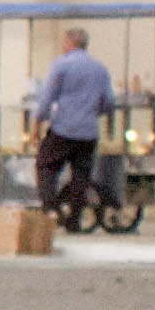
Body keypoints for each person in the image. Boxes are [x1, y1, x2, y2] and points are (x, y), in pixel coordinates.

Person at [29, 25, 114, 222]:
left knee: (46, 166)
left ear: (69, 43)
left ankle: (51, 209)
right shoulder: (100, 68)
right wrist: (93, 112)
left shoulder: (61, 65)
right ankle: (75, 218)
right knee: (81, 175)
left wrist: (37, 124)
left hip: (63, 129)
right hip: (89, 132)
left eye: (64, 43)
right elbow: (108, 102)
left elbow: (47, 98)